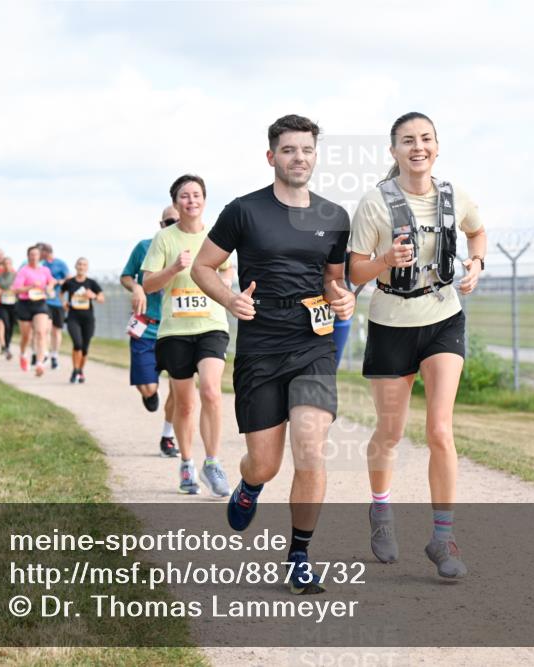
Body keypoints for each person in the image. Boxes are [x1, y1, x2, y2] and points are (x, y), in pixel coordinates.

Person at [192, 114, 354, 594]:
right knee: (265, 463)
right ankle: (250, 485)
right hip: (261, 343)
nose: (298, 158)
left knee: (310, 446)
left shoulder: (334, 217)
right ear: (271, 157)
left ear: (315, 156)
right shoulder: (244, 211)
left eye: (306, 150)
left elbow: (333, 279)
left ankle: (300, 556)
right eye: (288, 150)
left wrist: (342, 296)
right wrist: (229, 299)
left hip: (312, 341)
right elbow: (204, 266)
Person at [348, 111, 486, 579]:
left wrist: (477, 262)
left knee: (440, 431)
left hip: (443, 317)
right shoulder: (375, 204)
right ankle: (381, 509)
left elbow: (476, 229)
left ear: (437, 146)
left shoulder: (454, 196)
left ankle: (442, 536)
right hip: (390, 322)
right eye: (407, 140)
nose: (418, 147)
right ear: (393, 151)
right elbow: (353, 272)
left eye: (426, 139)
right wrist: (385, 259)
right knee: (390, 433)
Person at [142, 174, 234, 497]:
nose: (191, 200)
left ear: (204, 200)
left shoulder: (217, 237)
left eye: (196, 195)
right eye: (184, 196)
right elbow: (148, 284)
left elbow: (227, 276)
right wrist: (173, 269)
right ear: (176, 202)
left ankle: (213, 462)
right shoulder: (164, 239)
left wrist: (225, 280)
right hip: (175, 330)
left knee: (210, 391)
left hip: (211, 324)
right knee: (184, 404)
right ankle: (186, 462)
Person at [120, 207, 180, 458]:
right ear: (161, 223)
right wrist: (137, 287)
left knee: (179, 388)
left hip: (177, 328)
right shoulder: (144, 247)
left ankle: (168, 436)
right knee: (148, 388)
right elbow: (125, 276)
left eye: (177, 221)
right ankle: (150, 392)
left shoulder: (193, 247)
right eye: (169, 221)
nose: (173, 224)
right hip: (146, 325)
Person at [11, 246, 55, 376]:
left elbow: (51, 281)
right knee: (27, 336)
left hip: (40, 303)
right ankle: (23, 354)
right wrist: (31, 286)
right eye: (31, 254)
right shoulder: (23, 271)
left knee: (41, 333)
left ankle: (40, 364)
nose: (34, 257)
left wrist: (49, 287)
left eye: (36, 254)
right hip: (25, 303)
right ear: (28, 256)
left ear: (39, 256)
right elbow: (16, 290)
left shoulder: (45, 270)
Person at [62, 258, 104, 383]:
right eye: (79, 264)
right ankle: (75, 370)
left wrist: (94, 296)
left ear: (87, 268)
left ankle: (80, 371)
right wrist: (63, 302)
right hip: (73, 318)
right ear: (75, 266)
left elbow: (102, 298)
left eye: (84, 265)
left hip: (88, 319)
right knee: (77, 344)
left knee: (85, 348)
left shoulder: (91, 283)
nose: (81, 266)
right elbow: (61, 292)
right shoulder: (69, 282)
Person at [39, 243, 70, 370]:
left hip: (57, 302)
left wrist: (58, 282)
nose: (39, 255)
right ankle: (45, 353)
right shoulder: (42, 265)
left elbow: (68, 279)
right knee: (44, 329)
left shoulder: (60, 263)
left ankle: (54, 355)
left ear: (46, 252)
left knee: (56, 331)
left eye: (41, 252)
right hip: (45, 301)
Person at [0, 257, 18, 359]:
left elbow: (22, 286)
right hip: (3, 304)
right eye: (5, 264)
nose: (7, 266)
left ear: (11, 265)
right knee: (5, 324)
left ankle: (7, 345)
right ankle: (6, 347)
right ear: (2, 265)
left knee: (11, 326)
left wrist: (15, 289)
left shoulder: (16, 276)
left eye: (9, 263)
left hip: (14, 304)